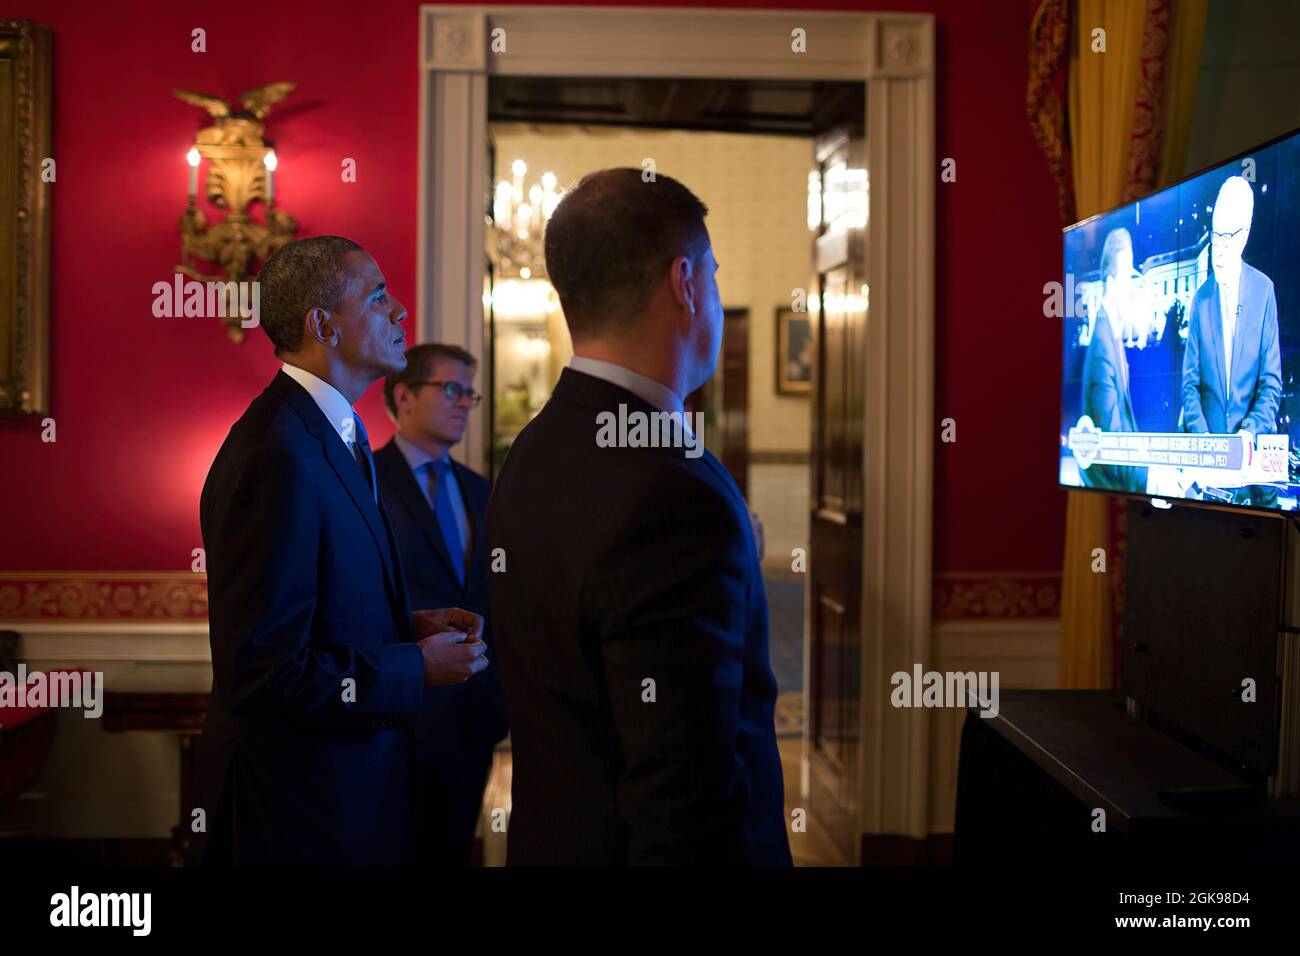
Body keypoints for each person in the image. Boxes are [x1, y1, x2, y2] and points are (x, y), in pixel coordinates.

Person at [487, 168, 792, 865]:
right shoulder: (675, 494)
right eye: (713, 275)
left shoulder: (535, 446)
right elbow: (685, 798)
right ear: (685, 283)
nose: (712, 294)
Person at [193, 236, 490, 866]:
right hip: (303, 817)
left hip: (353, 797)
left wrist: (404, 629)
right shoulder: (276, 454)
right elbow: (264, 675)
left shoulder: (334, 434)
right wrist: (415, 667)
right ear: (322, 324)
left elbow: (314, 616)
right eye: (378, 296)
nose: (400, 311)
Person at [376, 343, 508, 865]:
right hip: (397, 714)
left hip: (472, 716)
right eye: (451, 389)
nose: (463, 403)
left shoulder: (481, 490)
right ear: (404, 395)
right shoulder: (366, 481)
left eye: (469, 394)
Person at [1180, 175, 1282, 506]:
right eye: (1215, 234)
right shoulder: (1200, 300)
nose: (1218, 247)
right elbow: (1189, 386)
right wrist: (1207, 443)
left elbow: (1271, 384)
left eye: (1228, 236)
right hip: (1207, 476)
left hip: (1251, 474)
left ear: (1245, 235)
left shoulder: (1263, 291)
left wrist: (1248, 435)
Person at [1080, 227, 1146, 494]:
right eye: (1128, 277)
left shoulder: (1111, 335)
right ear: (1111, 283)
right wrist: (1152, 478)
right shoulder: (1103, 348)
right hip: (1110, 481)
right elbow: (1112, 445)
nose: (1132, 287)